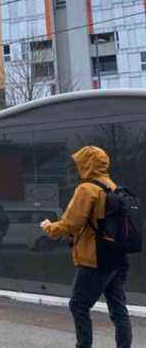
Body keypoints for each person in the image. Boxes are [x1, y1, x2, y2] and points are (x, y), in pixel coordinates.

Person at [40, 146, 132, 348]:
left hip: (95, 258)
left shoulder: (87, 189)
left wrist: (49, 227)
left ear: (86, 163)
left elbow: (71, 223)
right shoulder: (113, 186)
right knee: (118, 309)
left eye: (79, 162)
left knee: (78, 305)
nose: (77, 166)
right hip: (118, 257)